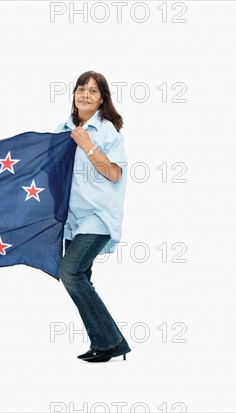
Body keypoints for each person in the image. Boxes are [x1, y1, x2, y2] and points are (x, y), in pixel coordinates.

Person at [54, 70, 131, 362]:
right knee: (80, 277)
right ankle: (107, 343)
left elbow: (113, 173)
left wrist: (87, 145)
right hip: (71, 219)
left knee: (70, 272)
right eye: (81, 89)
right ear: (74, 95)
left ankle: (109, 341)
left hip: (98, 217)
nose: (86, 95)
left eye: (93, 91)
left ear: (102, 100)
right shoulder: (62, 130)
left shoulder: (109, 132)